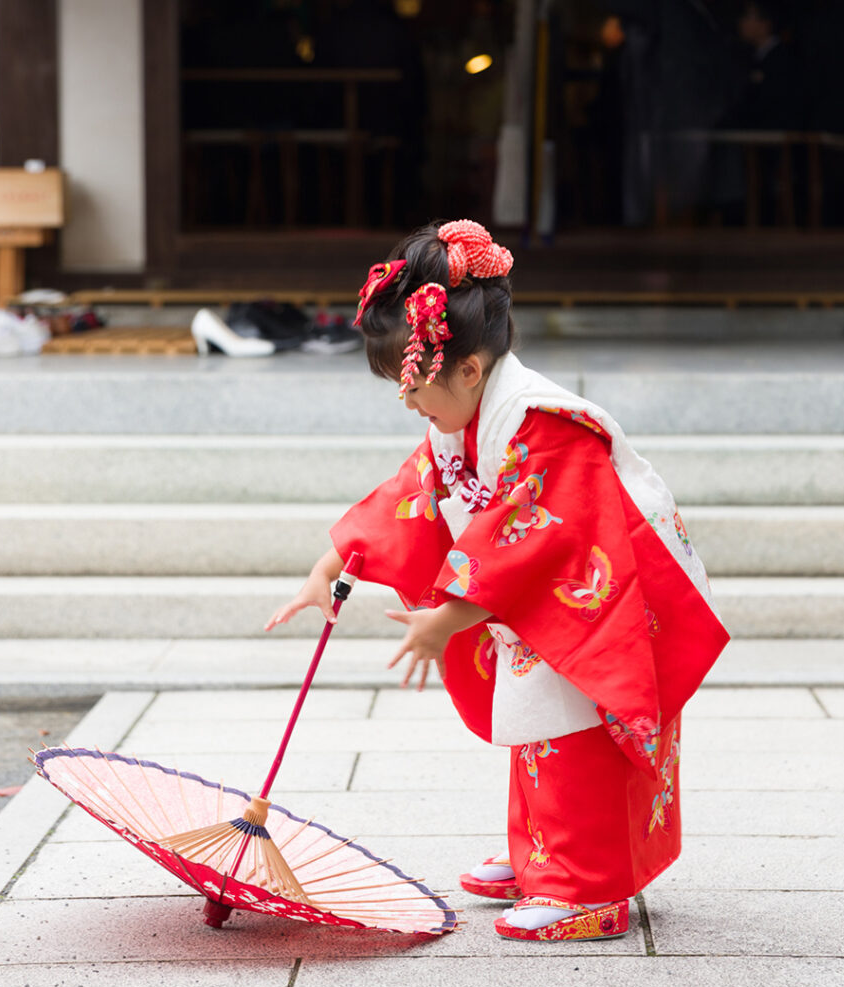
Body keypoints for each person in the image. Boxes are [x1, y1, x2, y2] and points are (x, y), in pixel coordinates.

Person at [266, 219, 730, 941]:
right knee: (534, 720)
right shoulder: (466, 414)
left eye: (413, 388)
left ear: (469, 370)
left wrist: (448, 617)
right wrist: (333, 564)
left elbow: (529, 535)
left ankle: (587, 888)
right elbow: (413, 492)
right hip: (564, 588)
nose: (409, 405)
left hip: (605, 585)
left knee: (574, 729)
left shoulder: (542, 423)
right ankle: (542, 856)